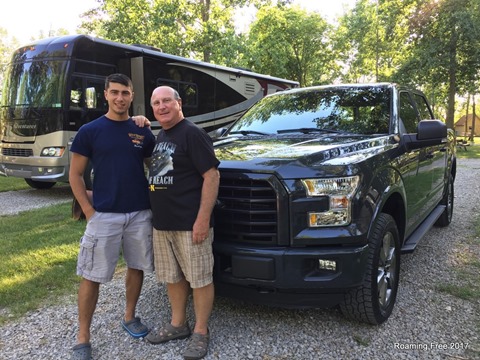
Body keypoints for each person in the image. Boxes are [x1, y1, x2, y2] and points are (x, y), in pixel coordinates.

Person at [69, 73, 156, 360]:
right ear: (105, 94)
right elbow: (75, 175)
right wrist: (90, 211)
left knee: (136, 266)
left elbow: (153, 168)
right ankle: (83, 337)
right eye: (115, 92)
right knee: (91, 275)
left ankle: (129, 316)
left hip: (139, 213)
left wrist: (143, 122)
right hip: (103, 215)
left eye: (126, 93)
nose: (120, 98)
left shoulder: (142, 132)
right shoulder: (90, 131)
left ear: (132, 96)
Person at [145, 86, 220, 360]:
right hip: (163, 224)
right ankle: (178, 324)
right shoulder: (162, 135)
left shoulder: (192, 133)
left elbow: (212, 176)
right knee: (172, 277)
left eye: (166, 101)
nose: (161, 106)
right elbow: (163, 177)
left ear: (179, 103)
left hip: (191, 224)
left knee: (200, 278)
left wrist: (202, 219)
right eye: (156, 103)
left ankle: (201, 331)